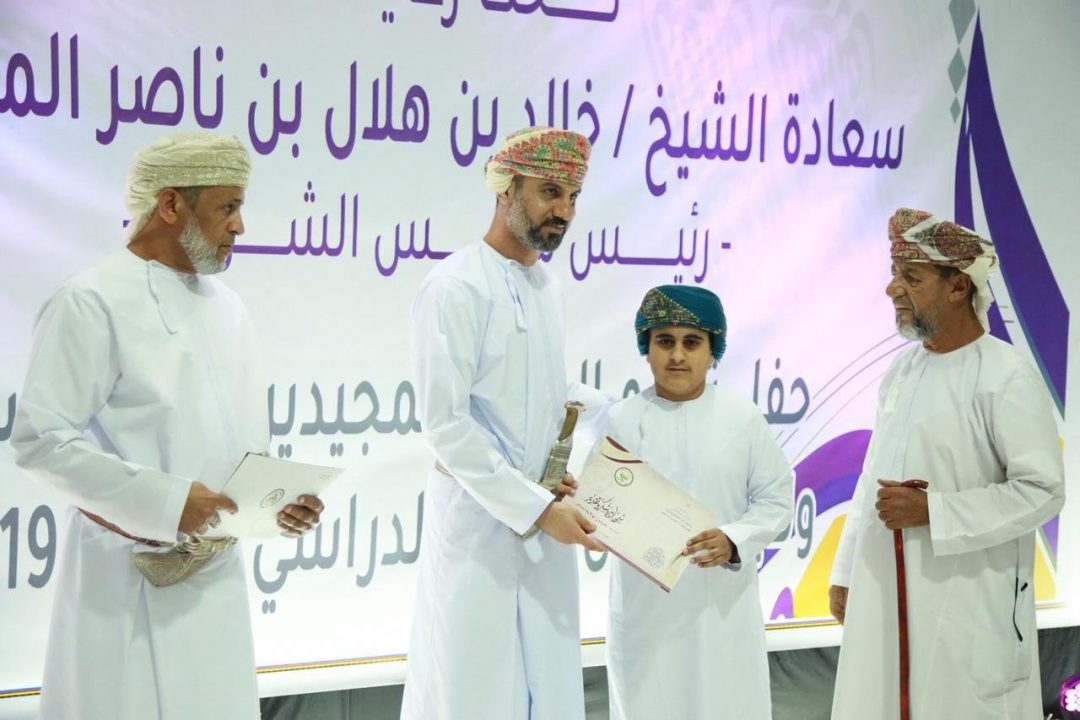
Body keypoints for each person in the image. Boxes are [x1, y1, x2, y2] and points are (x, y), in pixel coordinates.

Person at [12, 132, 324, 720]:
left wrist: (278, 503)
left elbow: (238, 448)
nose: (239, 226)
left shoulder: (228, 307)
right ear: (171, 204)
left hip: (217, 586)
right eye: (228, 207)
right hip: (124, 584)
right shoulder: (89, 301)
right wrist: (166, 502)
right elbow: (41, 441)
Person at [828, 208, 1065, 719]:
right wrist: (846, 570)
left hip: (969, 604)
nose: (893, 290)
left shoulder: (1006, 376)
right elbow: (872, 476)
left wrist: (934, 512)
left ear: (958, 286)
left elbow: (1043, 490)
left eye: (911, 277)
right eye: (894, 274)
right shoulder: (902, 369)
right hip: (885, 592)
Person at [400, 126, 604, 720]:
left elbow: (543, 394)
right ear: (507, 189)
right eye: (550, 193)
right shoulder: (454, 286)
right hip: (478, 529)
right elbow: (446, 425)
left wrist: (614, 424)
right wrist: (535, 508)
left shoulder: (545, 285)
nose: (564, 212)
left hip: (544, 522)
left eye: (573, 197)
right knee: (474, 690)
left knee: (549, 687)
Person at [598, 284, 792, 720]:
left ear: (712, 351)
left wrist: (734, 539)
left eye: (692, 342)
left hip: (721, 611)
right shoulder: (619, 420)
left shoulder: (742, 419)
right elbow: (600, 507)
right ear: (646, 348)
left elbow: (777, 499)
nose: (677, 356)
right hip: (646, 615)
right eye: (664, 341)